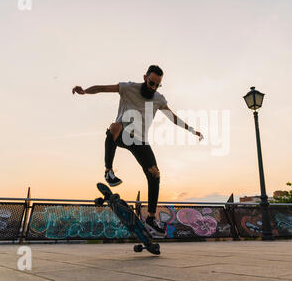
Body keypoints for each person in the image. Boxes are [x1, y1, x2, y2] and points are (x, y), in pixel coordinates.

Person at [72, 65, 203, 236]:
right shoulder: (128, 88)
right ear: (145, 78)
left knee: (155, 173)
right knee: (115, 126)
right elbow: (102, 88)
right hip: (122, 134)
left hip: (140, 141)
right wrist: (84, 92)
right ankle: (108, 171)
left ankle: (150, 218)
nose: (153, 87)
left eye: (157, 85)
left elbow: (173, 118)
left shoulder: (159, 99)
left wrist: (192, 130)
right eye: (151, 83)